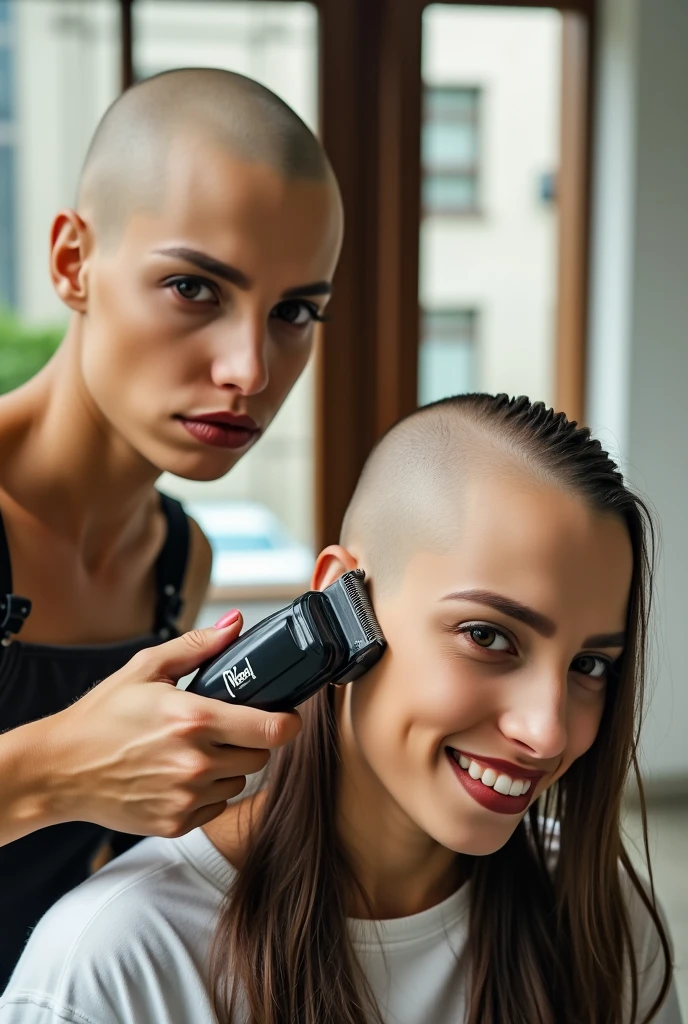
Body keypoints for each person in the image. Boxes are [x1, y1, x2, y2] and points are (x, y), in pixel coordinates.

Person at [0, 393, 681, 1024]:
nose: (546, 731)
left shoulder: (602, 920)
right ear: (342, 600)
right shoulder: (116, 964)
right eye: (488, 637)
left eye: (591, 666)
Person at [0, 67, 343, 985]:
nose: (251, 368)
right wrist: (54, 770)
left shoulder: (179, 557)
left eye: (295, 312)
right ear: (74, 261)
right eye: (195, 288)